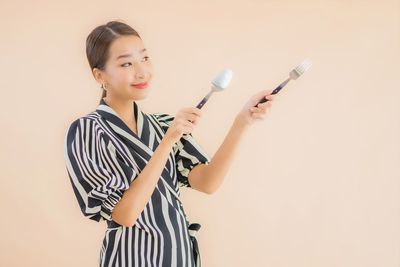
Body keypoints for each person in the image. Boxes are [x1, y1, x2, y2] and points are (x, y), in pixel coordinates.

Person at [64, 20, 275, 267]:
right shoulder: (88, 130)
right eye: (126, 64)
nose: (142, 72)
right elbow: (125, 215)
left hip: (178, 257)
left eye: (144, 58)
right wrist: (167, 143)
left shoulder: (162, 125)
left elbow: (207, 182)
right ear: (100, 76)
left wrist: (242, 122)